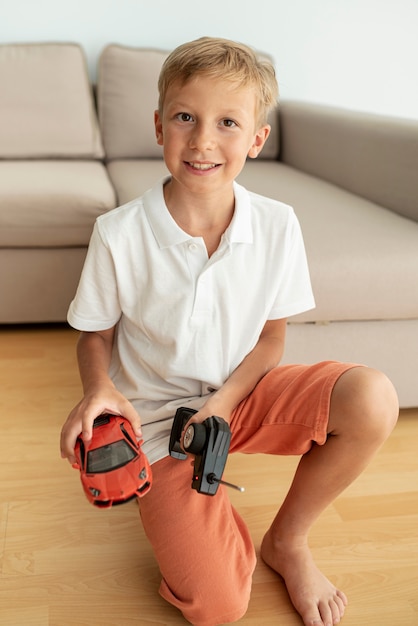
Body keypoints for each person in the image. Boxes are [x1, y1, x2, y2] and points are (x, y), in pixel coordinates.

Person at [60, 36, 399, 626]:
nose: (203, 141)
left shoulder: (277, 225)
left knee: (372, 398)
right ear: (159, 125)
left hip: (241, 395)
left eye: (228, 123)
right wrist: (99, 390)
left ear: (258, 139)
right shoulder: (117, 233)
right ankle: (195, 504)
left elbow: (272, 338)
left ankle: (287, 541)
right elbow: (95, 332)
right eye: (186, 117)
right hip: (159, 421)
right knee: (217, 608)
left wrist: (221, 404)